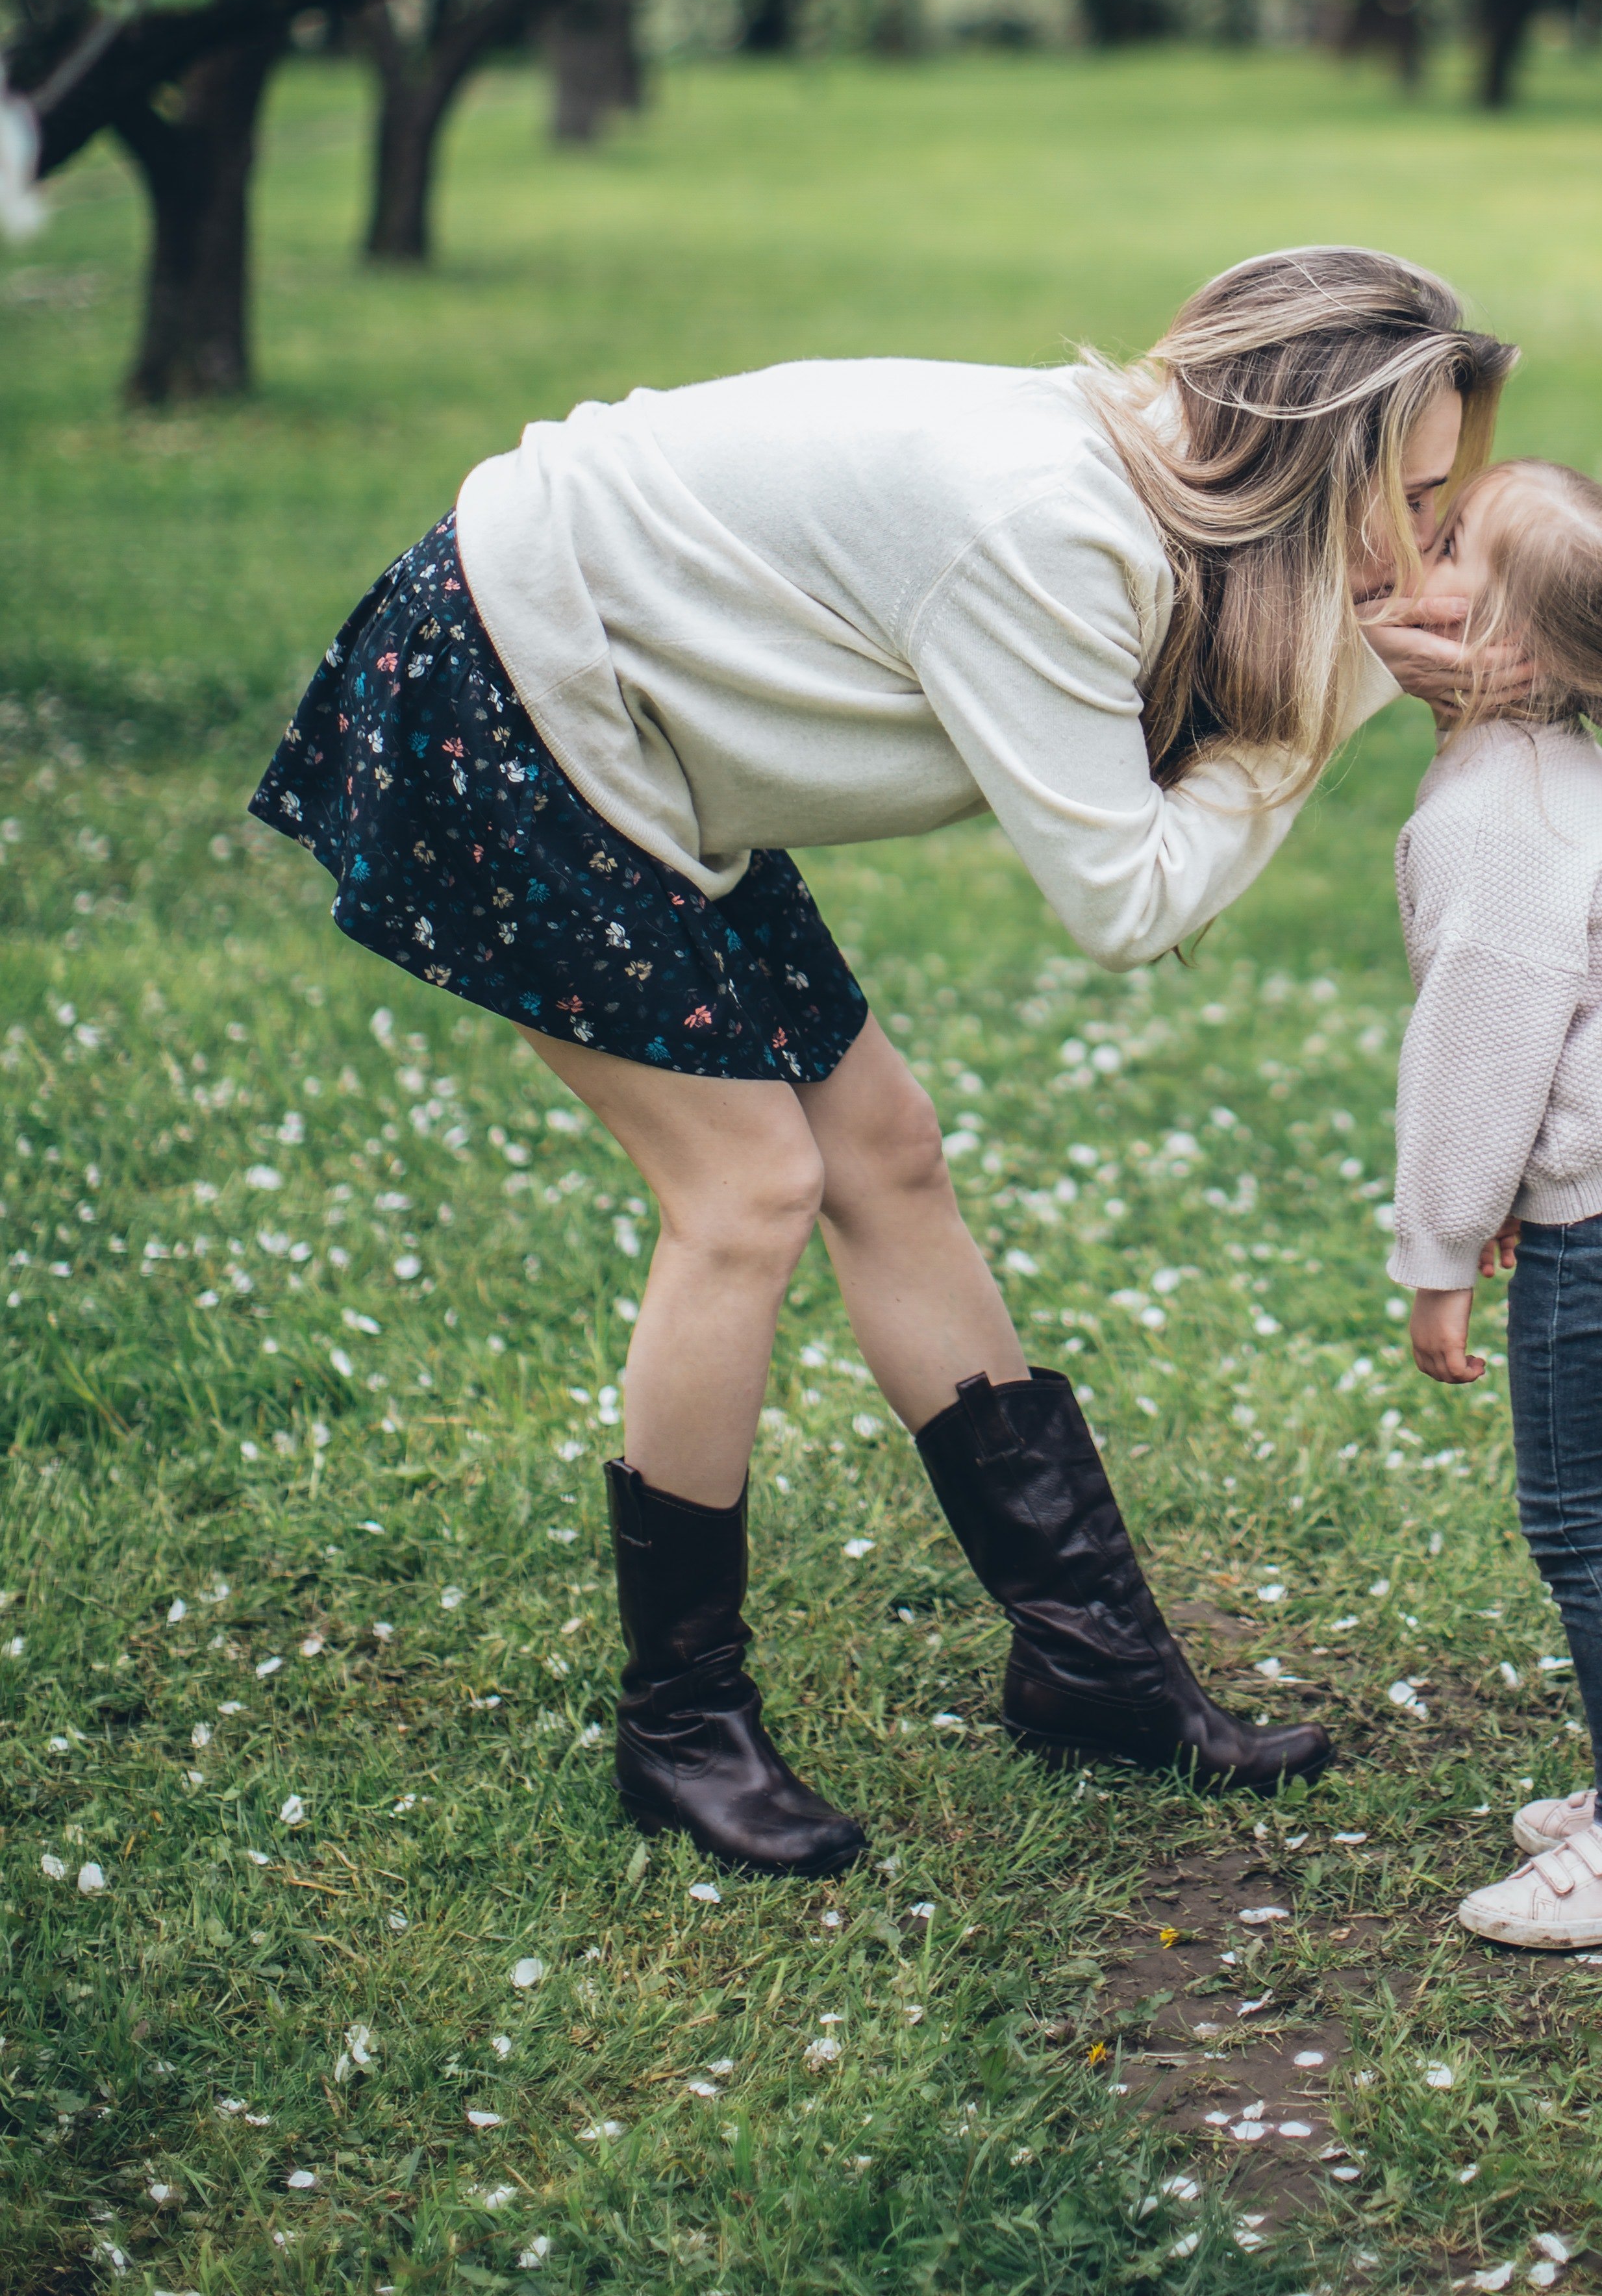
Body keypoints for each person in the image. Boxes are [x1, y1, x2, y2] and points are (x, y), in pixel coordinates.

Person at [251, 249, 1513, 1878]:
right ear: (1303, 451)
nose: (1412, 544)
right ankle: (681, 1725)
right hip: (514, 694)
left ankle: (1095, 1668)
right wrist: (1334, 697)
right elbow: (1125, 901)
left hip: (641, 727)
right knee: (750, 1190)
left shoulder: (1134, 495)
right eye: (1403, 499)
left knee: (884, 1150)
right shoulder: (1048, 529)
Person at [1383, 457, 1602, 1949]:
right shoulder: (1544, 770)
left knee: (1582, 1525)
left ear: (1512, 653)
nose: (1411, 539)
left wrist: (1442, 1253)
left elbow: (1481, 1060)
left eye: (1449, 540)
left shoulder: (1497, 819)